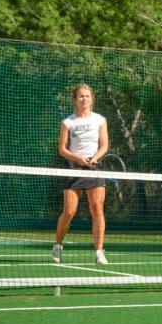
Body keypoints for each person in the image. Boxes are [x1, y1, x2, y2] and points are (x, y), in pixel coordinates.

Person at [52, 84, 110, 266]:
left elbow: (104, 145)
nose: (84, 99)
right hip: (73, 168)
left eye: (87, 96)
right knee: (69, 211)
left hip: (94, 167)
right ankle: (58, 245)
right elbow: (62, 149)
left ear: (92, 99)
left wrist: (94, 159)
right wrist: (79, 159)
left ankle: (99, 252)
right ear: (75, 99)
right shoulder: (68, 122)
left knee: (97, 209)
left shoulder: (100, 120)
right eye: (81, 96)